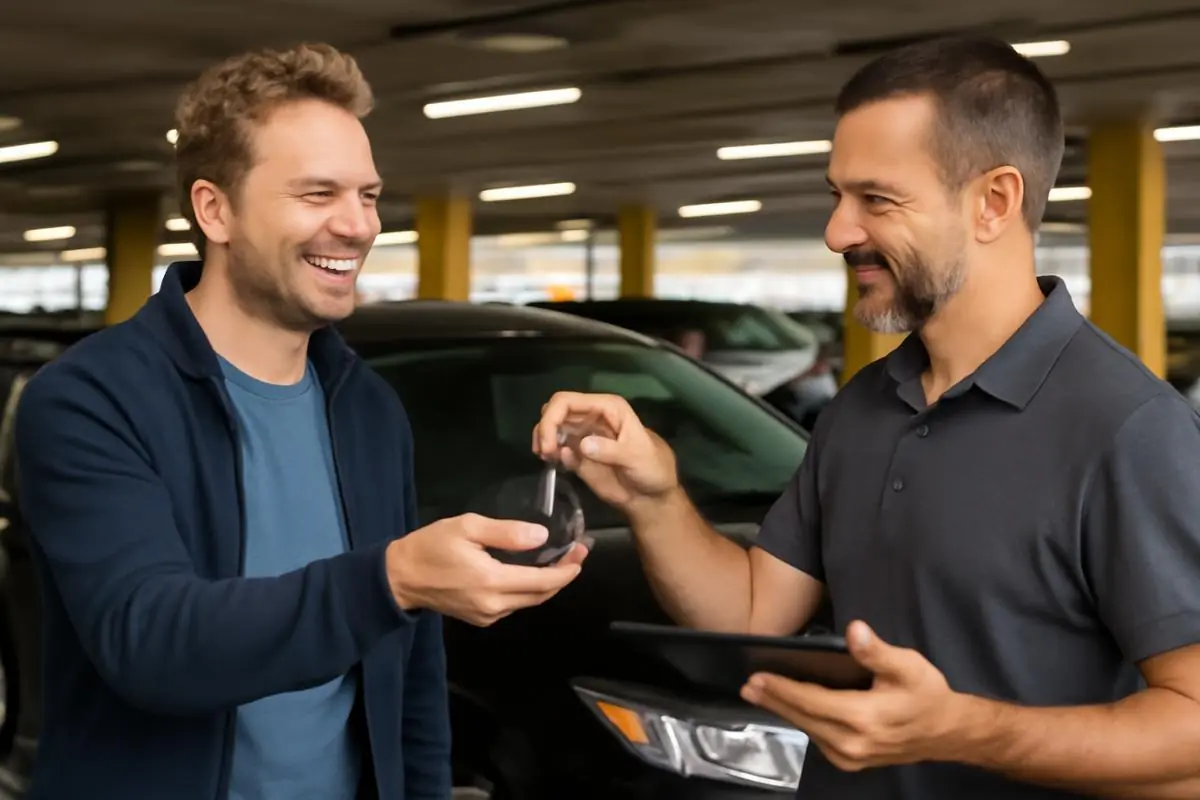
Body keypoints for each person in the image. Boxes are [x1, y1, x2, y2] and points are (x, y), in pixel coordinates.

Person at [533, 35, 1200, 800]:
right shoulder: (864, 405)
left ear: (994, 202)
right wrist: (655, 499)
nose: (837, 232)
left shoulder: (1128, 428)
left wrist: (964, 730)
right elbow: (752, 611)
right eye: (837, 196)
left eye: (877, 200)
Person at [13, 43, 586, 800]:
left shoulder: (368, 408)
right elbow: (149, 642)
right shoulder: (90, 398)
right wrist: (393, 578)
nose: (358, 226)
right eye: (318, 194)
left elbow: (409, 677)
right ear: (215, 210)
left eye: (368, 195)